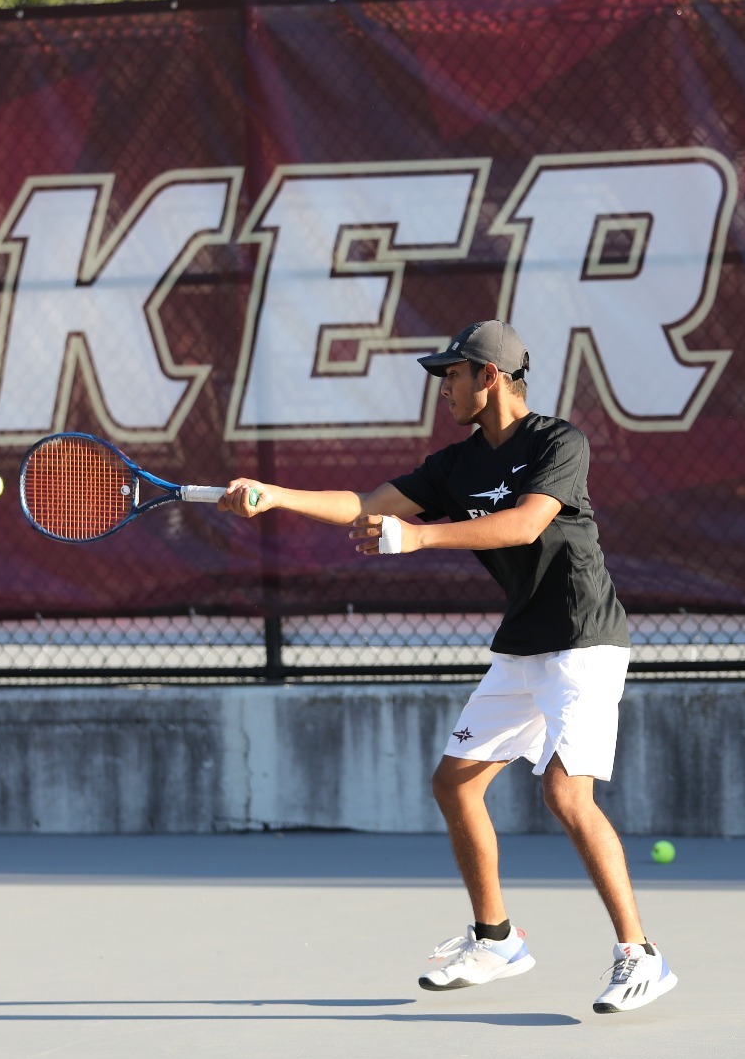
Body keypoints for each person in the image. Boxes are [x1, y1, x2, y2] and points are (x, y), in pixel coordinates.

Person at [219, 320, 675, 1014]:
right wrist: (277, 495)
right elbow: (367, 506)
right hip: (525, 640)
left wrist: (419, 536)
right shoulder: (455, 465)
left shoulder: (558, 443)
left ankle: (639, 955)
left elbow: (525, 523)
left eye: (453, 376)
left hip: (585, 638)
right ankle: (496, 939)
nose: (445, 389)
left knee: (564, 793)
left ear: (490, 376)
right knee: (455, 784)